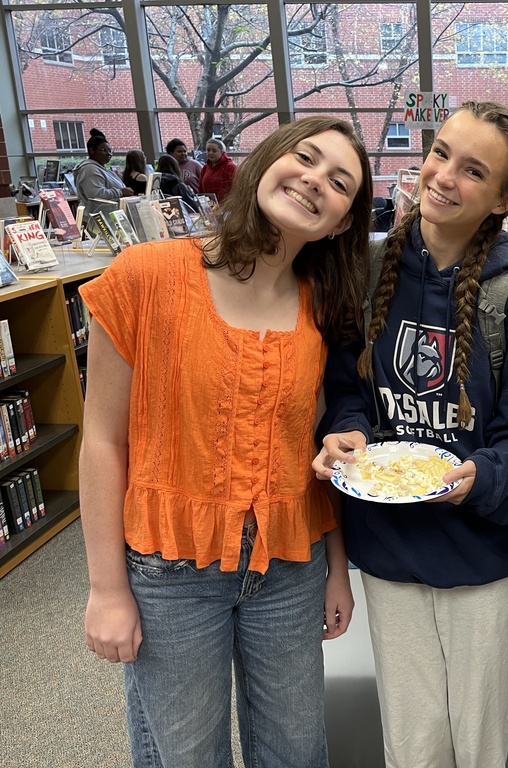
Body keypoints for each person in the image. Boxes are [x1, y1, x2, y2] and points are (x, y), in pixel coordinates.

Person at [78, 116, 375, 768]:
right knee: (186, 754)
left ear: (343, 222)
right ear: (268, 159)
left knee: (296, 750)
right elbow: (101, 440)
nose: (314, 180)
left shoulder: (321, 306)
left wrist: (335, 568)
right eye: (305, 157)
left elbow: (313, 451)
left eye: (339, 182)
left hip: (289, 567)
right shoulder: (146, 275)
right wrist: (106, 589)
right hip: (171, 571)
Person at [312, 100, 508, 768]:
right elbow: (345, 392)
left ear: (504, 198)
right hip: (390, 553)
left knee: (478, 739)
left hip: (483, 557)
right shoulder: (367, 276)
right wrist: (348, 433)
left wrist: (487, 477)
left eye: (473, 170)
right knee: (413, 741)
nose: (444, 176)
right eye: (441, 153)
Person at [75, 129, 134, 226]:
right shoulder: (90, 169)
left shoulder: (100, 167)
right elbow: (96, 195)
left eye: (110, 151)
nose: (109, 154)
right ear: (92, 151)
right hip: (98, 221)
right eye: (104, 150)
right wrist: (121, 192)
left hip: (108, 218)